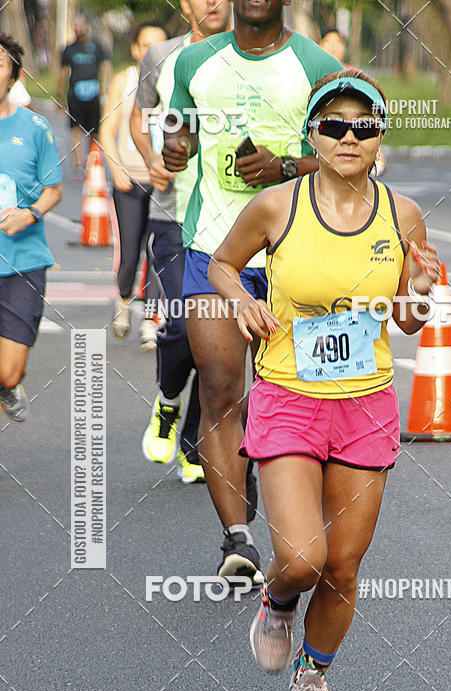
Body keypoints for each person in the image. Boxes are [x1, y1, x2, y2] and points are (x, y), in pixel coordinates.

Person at [207, 71, 440, 691]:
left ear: (380, 137)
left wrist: (418, 288)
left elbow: (409, 322)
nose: (348, 137)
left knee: (342, 565)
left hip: (366, 403)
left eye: (362, 126)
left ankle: (314, 679)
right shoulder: (277, 206)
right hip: (289, 395)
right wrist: (243, 301)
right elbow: (223, 263)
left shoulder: (403, 214)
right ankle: (277, 597)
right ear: (312, 134)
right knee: (303, 559)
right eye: (333, 125)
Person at [162, 0, 341, 580]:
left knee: (290, 395)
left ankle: (284, 501)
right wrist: (175, 147)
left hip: (294, 252)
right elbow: (176, 130)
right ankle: (237, 539)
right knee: (219, 390)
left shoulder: (315, 64)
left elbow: (348, 159)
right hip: (215, 250)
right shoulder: (194, 63)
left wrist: (286, 168)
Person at [131, 0, 231, 484]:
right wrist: (151, 159)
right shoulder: (160, 57)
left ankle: (193, 441)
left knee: (213, 338)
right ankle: (168, 403)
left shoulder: (252, 60)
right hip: (173, 217)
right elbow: (138, 118)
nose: (212, 2)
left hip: (232, 221)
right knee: (181, 324)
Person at [0, 34, 62, 422]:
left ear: (13, 76)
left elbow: (54, 190)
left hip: (23, 261)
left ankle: (9, 383)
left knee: (8, 372)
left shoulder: (36, 128)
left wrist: (31, 213)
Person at [100, 20, 168, 350]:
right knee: (130, 257)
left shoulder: (174, 81)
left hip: (163, 182)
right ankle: (124, 300)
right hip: (128, 181)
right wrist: (115, 169)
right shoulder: (124, 80)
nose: (154, 53)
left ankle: (150, 322)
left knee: (158, 254)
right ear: (136, 50)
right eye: (147, 46)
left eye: (161, 45)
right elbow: (107, 130)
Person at [319, 26, 386, 176]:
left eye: (338, 42)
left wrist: (378, 153)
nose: (333, 47)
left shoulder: (357, 78)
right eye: (328, 41)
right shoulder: (311, 76)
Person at [59, 14, 111, 175]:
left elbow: (106, 67)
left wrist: (106, 89)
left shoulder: (97, 46)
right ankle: (77, 165)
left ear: (87, 27)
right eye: (76, 26)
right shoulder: (69, 49)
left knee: (94, 132)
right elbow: (63, 72)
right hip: (75, 96)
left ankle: (92, 160)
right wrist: (60, 93)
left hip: (94, 96)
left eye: (81, 26)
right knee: (76, 130)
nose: (78, 29)